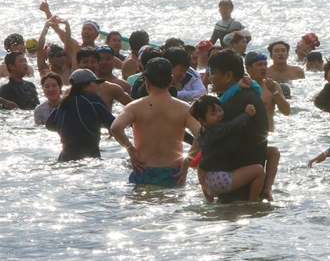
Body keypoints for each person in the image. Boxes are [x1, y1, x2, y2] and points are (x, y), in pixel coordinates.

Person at [109, 58, 201, 187]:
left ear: (146, 82)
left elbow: (115, 127)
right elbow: (202, 134)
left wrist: (131, 151)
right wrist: (187, 162)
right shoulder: (184, 108)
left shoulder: (135, 107)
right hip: (174, 172)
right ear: (171, 81)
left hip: (143, 170)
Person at [204, 50, 273, 201]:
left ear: (228, 76)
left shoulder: (231, 107)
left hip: (237, 189)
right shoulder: (251, 95)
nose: (209, 79)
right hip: (251, 184)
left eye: (213, 73)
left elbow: (223, 146)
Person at [189, 95, 265, 202]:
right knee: (259, 170)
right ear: (202, 121)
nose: (219, 114)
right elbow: (233, 126)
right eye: (213, 113)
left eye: (220, 110)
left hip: (208, 181)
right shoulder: (216, 131)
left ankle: (209, 202)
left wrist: (237, 87)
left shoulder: (202, 132)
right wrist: (247, 114)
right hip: (221, 179)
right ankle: (253, 201)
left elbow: (223, 99)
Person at [46, 69, 113, 161]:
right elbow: (113, 124)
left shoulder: (62, 103)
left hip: (64, 159)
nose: (98, 86)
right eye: (96, 83)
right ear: (85, 87)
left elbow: (49, 125)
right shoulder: (94, 100)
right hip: (90, 159)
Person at [245, 51, 290, 131]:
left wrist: (274, 91)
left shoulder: (273, 86)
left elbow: (286, 111)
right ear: (248, 68)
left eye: (265, 64)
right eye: (259, 64)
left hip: (269, 136)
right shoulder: (242, 87)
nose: (264, 68)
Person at [37, 16, 73, 85]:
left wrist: (67, 25)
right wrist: (46, 26)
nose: (63, 58)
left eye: (64, 55)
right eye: (58, 56)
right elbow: (39, 48)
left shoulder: (67, 69)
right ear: (50, 59)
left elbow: (68, 44)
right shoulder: (46, 72)